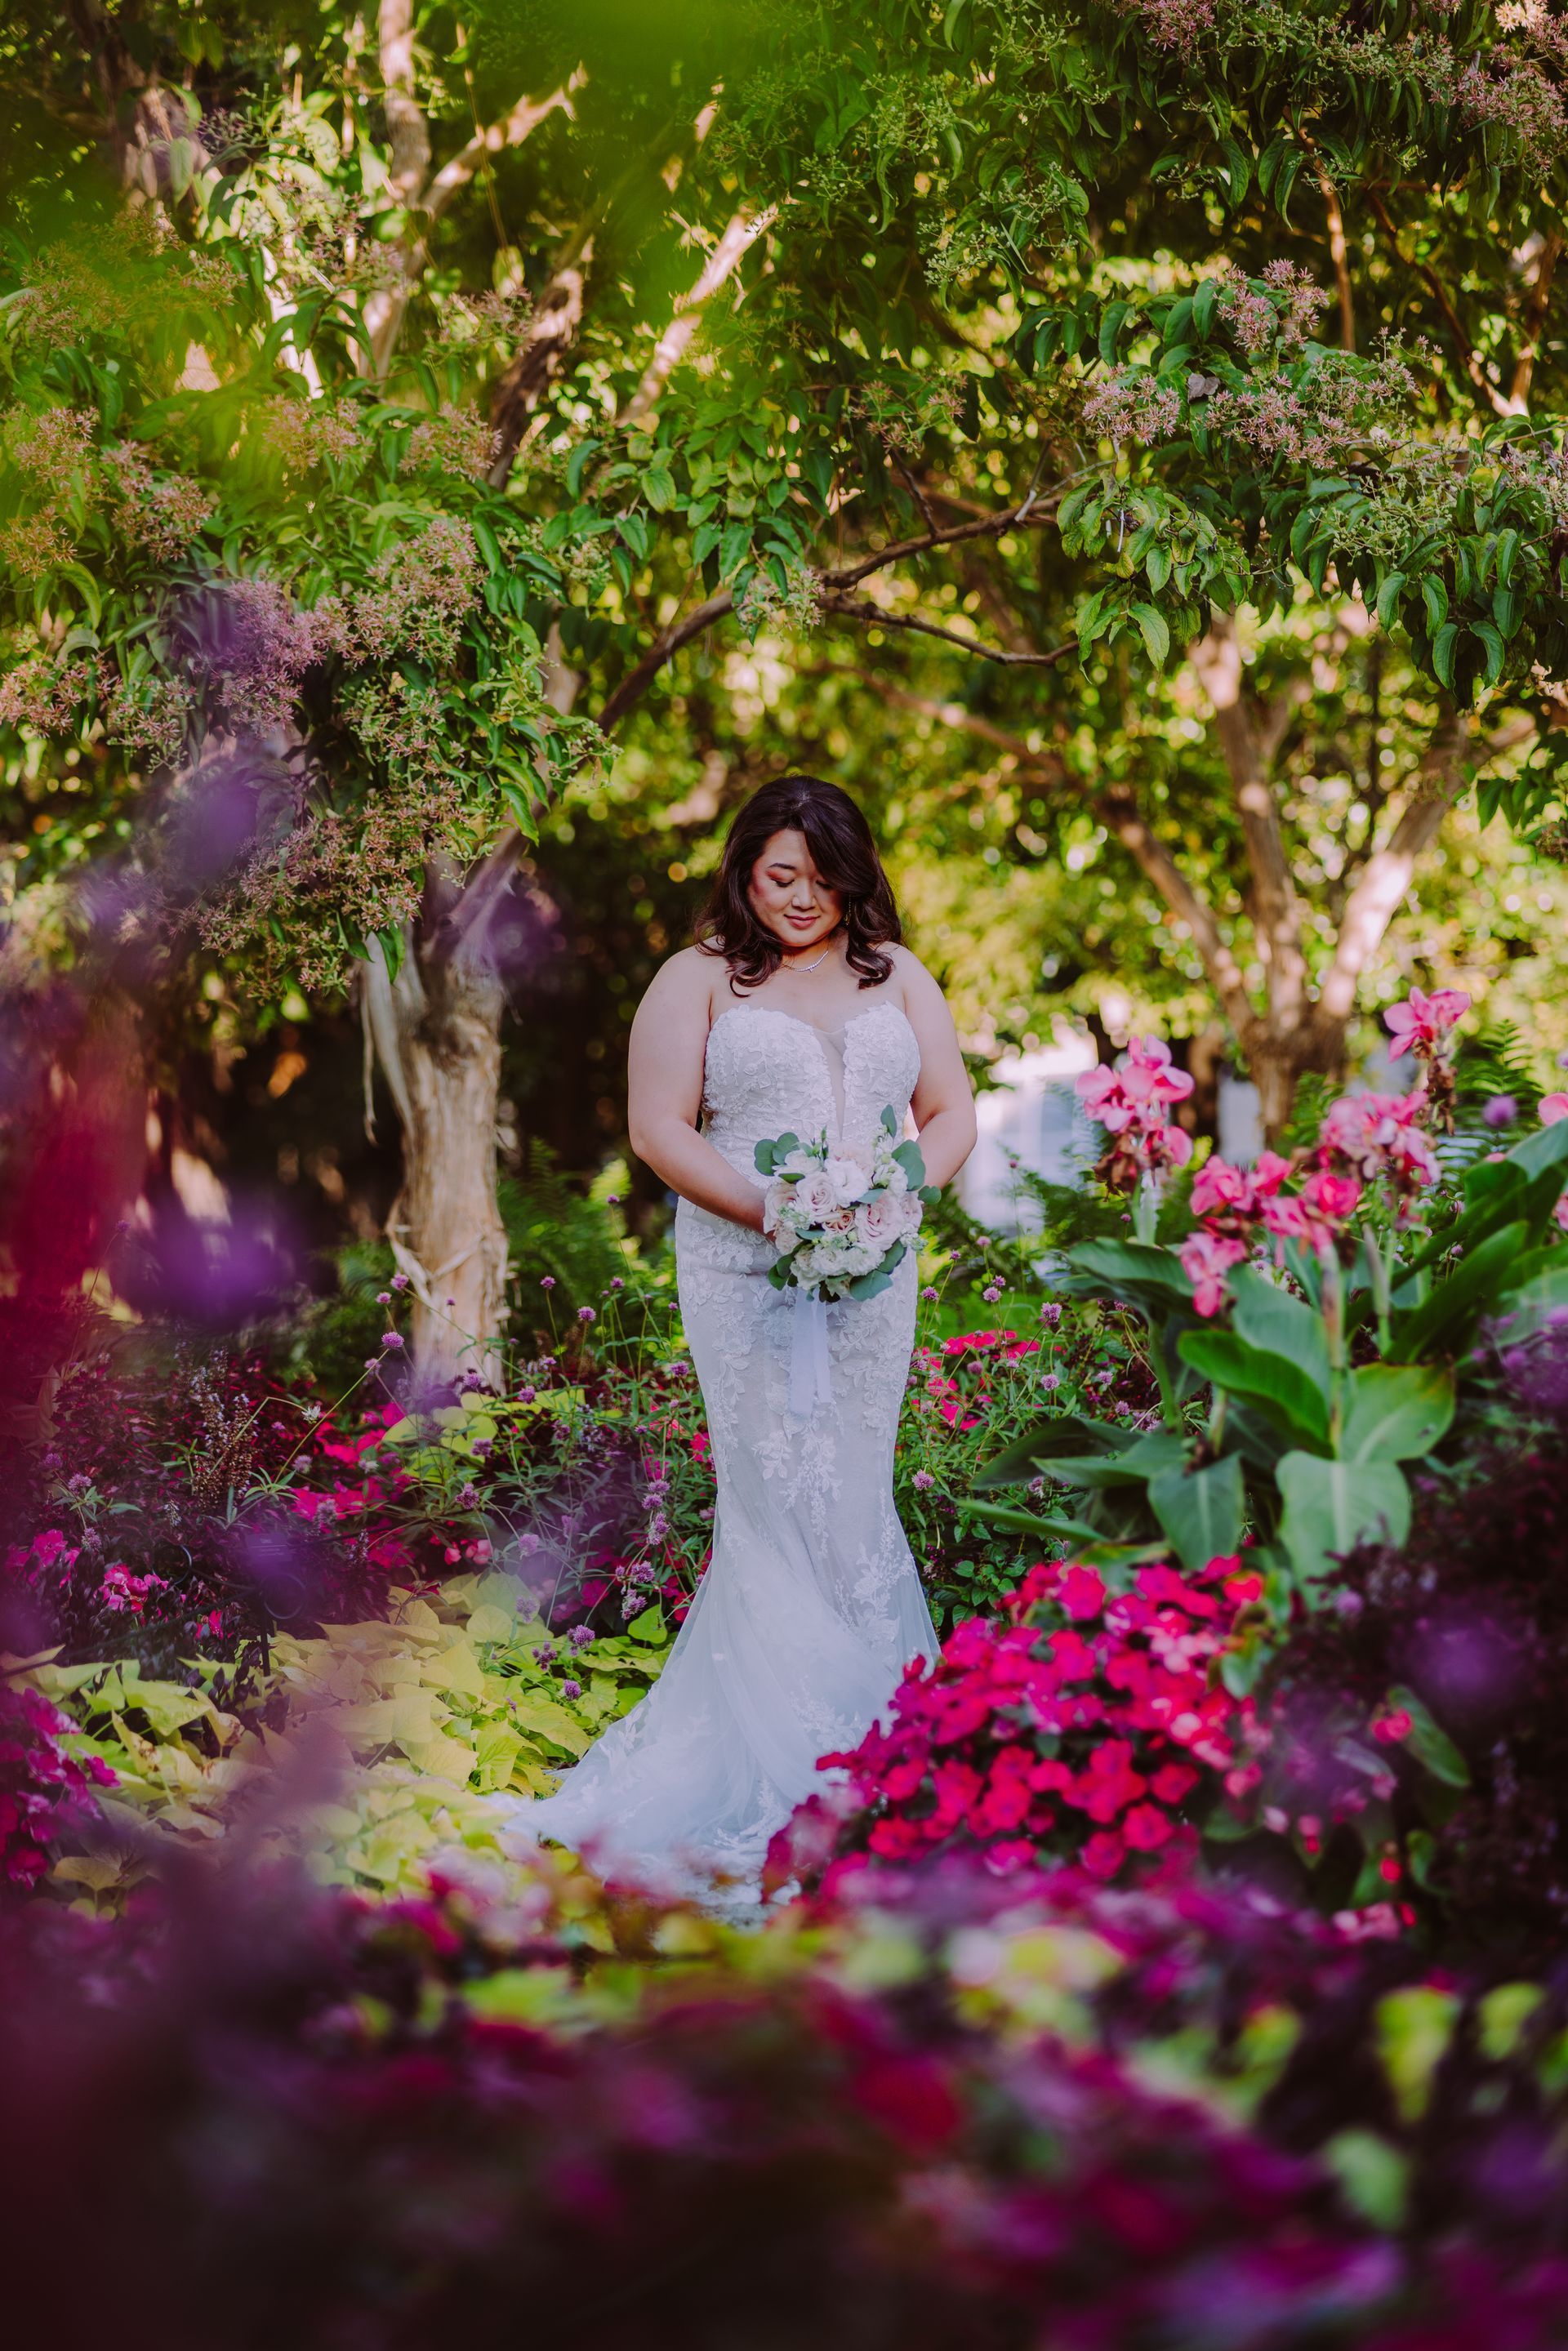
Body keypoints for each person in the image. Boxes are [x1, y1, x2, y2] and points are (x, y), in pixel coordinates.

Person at [501, 774, 977, 1903]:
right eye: (779, 877)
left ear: (854, 876)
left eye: (823, 879)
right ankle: (790, 1773)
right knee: (770, 1495)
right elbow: (657, 1129)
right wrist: (779, 1210)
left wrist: (889, 1197)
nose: (802, 898)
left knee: (854, 1490)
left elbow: (949, 1112)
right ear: (744, 870)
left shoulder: (898, 975)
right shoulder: (698, 978)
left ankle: (873, 1755)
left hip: (872, 1275)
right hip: (739, 1266)